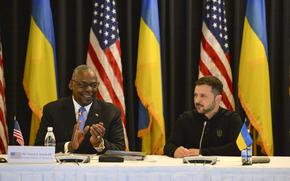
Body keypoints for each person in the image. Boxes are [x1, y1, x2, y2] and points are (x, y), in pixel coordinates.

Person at [35, 65, 125, 153]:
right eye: (82, 85)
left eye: (93, 85)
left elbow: (120, 149)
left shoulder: (111, 112)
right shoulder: (52, 110)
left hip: (95, 168)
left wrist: (99, 144)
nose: (89, 89)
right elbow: (40, 147)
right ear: (71, 85)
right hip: (63, 167)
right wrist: (69, 146)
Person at [164, 76, 243, 157]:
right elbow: (169, 146)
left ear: (218, 99)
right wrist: (175, 151)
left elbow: (240, 148)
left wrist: (202, 152)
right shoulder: (185, 118)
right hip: (191, 169)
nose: (197, 100)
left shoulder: (232, 119)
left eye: (203, 96)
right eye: (195, 95)